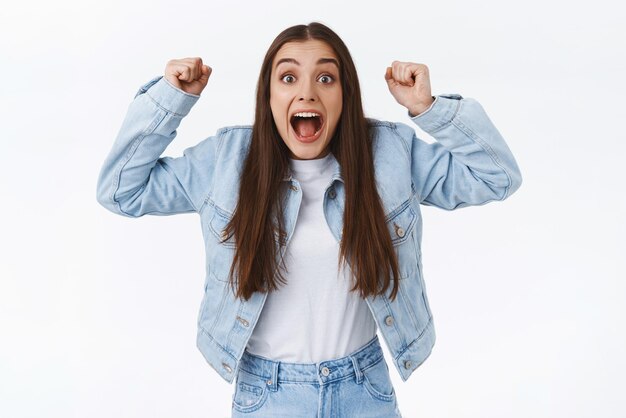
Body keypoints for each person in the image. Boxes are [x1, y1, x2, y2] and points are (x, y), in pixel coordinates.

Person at [96, 21, 522, 417]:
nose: (307, 93)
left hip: (365, 391)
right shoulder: (222, 162)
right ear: (269, 96)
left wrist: (427, 107)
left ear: (345, 94)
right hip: (267, 395)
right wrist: (170, 101)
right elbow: (120, 190)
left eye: (325, 78)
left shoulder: (392, 154)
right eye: (287, 78)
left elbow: (497, 178)